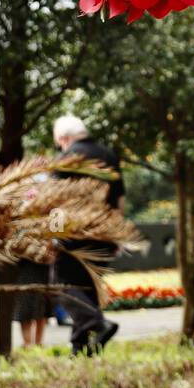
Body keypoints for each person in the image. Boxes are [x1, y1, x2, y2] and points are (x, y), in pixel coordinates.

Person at [52, 114, 121, 355]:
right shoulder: (109, 155)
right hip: (104, 232)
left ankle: (98, 324)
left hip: (74, 234)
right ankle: (80, 347)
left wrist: (54, 235)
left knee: (62, 284)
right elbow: (119, 199)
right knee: (88, 286)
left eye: (58, 142)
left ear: (64, 138)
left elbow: (55, 202)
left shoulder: (65, 159)